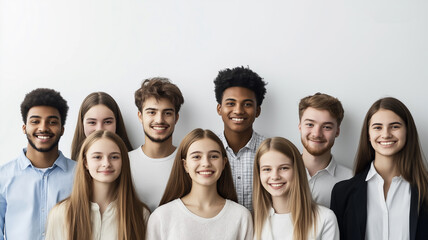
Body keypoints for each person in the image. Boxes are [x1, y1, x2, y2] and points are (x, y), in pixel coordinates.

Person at [331, 97, 428, 239]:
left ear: (408, 132)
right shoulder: (342, 193)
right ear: (368, 135)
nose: (386, 134)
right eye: (377, 127)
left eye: (395, 126)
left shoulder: (424, 189)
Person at [147, 129, 253, 240]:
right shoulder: (162, 216)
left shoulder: (241, 216)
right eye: (196, 156)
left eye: (214, 156)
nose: (206, 163)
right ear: (185, 165)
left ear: (223, 163)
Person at [0, 88, 76, 240]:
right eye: (35, 121)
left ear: (62, 129)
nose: (43, 128)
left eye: (52, 122)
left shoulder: (80, 174)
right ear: (24, 127)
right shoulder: (3, 176)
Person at [46, 130, 149, 240]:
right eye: (97, 157)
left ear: (123, 161)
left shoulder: (140, 214)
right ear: (86, 163)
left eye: (114, 157)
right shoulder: (61, 213)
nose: (106, 164)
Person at [253, 137, 339, 240]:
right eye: (267, 169)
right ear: (259, 174)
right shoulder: (252, 220)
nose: (275, 176)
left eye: (284, 168)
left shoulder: (325, 219)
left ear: (297, 170)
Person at [214, 66, 267, 211]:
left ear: (258, 110)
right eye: (231, 103)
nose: (238, 110)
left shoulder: (270, 150)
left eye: (247, 104)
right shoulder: (207, 150)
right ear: (219, 109)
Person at [130, 77, 184, 211]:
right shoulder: (124, 161)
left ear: (176, 118)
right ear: (140, 116)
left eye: (167, 113)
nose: (159, 120)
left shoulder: (188, 161)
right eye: (152, 112)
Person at [298, 93, 352, 207]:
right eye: (310, 124)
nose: (317, 134)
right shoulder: (278, 173)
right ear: (300, 127)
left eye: (326, 127)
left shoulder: (351, 181)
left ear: (337, 131)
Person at [70, 92, 133, 160]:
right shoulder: (72, 167)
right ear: (82, 124)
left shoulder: (133, 162)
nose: (100, 129)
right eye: (92, 122)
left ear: (117, 123)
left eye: (107, 122)